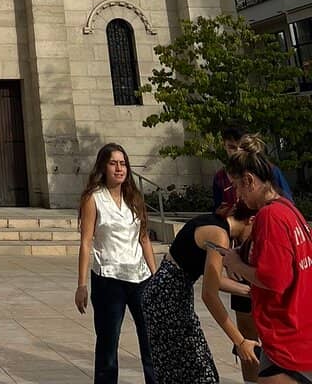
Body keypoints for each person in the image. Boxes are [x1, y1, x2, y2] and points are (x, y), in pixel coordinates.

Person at [222, 135, 312, 384]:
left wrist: (236, 265)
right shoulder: (289, 210)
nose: (237, 195)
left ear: (249, 180)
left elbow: (274, 279)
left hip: (286, 340)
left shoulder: (269, 216)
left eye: (237, 186)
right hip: (298, 332)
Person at [141, 202, 257, 383]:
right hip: (168, 302)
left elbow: (214, 279)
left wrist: (252, 291)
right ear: (251, 220)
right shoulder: (219, 235)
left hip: (161, 297)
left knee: (178, 373)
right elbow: (209, 295)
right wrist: (240, 341)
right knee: (202, 374)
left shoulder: (213, 223)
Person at [75, 143, 157, 384]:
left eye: (123, 164)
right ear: (103, 167)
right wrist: (81, 285)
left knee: (150, 340)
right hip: (108, 279)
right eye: (113, 163)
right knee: (108, 345)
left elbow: (144, 239)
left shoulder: (135, 198)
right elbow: (86, 242)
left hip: (140, 277)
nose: (119, 168)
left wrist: (156, 277)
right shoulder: (93, 198)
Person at [213, 126, 293, 219]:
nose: (237, 152)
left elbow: (287, 204)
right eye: (232, 147)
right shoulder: (219, 177)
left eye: (240, 147)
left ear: (250, 180)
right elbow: (217, 209)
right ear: (224, 146)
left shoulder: (270, 170)